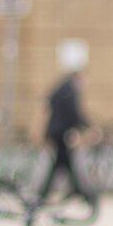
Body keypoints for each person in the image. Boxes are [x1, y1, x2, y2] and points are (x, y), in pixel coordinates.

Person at [38, 69, 97, 211]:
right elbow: (74, 113)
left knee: (62, 163)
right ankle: (83, 194)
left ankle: (46, 193)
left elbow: (50, 103)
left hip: (57, 131)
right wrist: (88, 127)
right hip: (61, 132)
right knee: (63, 163)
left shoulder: (62, 88)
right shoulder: (69, 90)